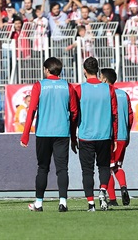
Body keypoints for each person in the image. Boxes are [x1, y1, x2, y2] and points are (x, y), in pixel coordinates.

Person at [19, 57, 79, 212]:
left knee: (43, 168)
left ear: (46, 70)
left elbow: (31, 110)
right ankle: (63, 202)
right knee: (62, 169)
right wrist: (73, 136)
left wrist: (25, 135)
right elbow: (74, 112)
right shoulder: (68, 86)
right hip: (62, 133)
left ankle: (38, 203)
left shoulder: (39, 85)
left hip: (43, 133)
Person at [74, 57, 118, 211]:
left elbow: (74, 113)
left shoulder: (79, 89)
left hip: (86, 135)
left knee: (87, 171)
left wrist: (73, 136)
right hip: (104, 135)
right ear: (98, 70)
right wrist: (115, 136)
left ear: (84, 71)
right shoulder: (109, 89)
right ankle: (103, 190)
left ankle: (91, 204)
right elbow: (114, 114)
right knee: (104, 167)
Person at [100, 68, 133, 207]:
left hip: (110, 136)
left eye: (101, 77)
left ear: (105, 80)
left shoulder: (106, 93)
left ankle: (113, 199)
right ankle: (124, 187)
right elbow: (130, 117)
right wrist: (127, 134)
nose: (100, 80)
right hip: (123, 136)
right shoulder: (124, 95)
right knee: (117, 166)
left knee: (107, 168)